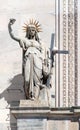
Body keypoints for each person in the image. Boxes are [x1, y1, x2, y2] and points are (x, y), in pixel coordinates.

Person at [8, 18, 50, 100]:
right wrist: (9, 25)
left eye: (33, 30)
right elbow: (12, 36)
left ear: (36, 31)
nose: (32, 31)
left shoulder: (39, 43)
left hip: (38, 60)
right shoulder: (24, 40)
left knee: (37, 80)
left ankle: (34, 96)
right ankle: (28, 95)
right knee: (27, 80)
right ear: (28, 31)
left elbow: (45, 53)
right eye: (30, 30)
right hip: (28, 59)